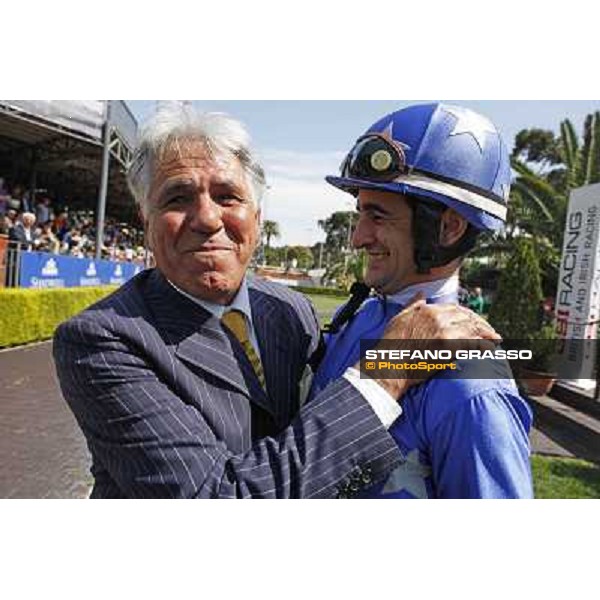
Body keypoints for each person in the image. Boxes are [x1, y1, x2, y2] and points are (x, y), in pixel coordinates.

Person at [53, 105, 499, 499]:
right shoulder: (100, 340)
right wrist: (389, 371)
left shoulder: (291, 310)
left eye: (227, 196)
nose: (208, 218)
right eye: (177, 198)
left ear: (257, 217)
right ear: (144, 219)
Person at [312, 103, 533, 498]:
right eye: (360, 214)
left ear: (447, 228)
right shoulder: (360, 319)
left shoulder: (473, 382)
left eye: (378, 217)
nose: (357, 238)